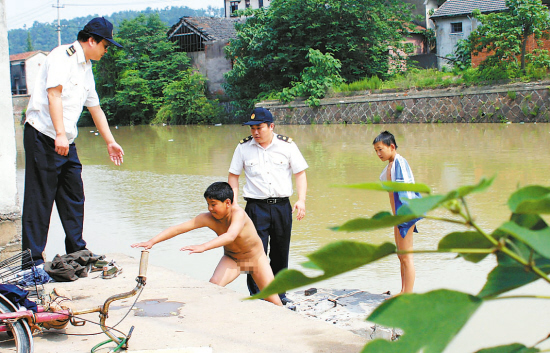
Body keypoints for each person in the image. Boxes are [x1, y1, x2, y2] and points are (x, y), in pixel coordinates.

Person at [22, 17, 124, 265]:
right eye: (105, 45)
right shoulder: (61, 56)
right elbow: (53, 94)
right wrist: (59, 133)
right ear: (91, 40)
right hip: (43, 135)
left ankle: (77, 250)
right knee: (40, 198)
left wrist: (110, 141)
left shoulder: (86, 66)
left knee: (73, 194)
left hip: (65, 139)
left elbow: (95, 108)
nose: (106, 50)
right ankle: (32, 262)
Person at [131, 182, 283, 306]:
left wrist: (203, 246)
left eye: (214, 204)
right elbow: (178, 229)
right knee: (213, 286)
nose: (210, 208)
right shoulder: (208, 218)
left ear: (228, 203)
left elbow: (230, 236)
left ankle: (287, 326)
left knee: (272, 298)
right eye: (208, 204)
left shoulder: (239, 214)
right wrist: (152, 241)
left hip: (255, 260)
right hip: (233, 259)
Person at [228, 107, 308, 305]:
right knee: (253, 252)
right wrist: (234, 205)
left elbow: (300, 173)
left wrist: (301, 200)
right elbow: (233, 176)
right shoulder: (243, 148)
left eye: (259, 128)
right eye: (252, 128)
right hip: (255, 208)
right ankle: (257, 294)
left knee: (280, 252)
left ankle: (279, 294)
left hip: (282, 206)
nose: (255, 132)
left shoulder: (287, 146)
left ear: (271, 126)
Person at [373, 131, 421, 295]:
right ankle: (403, 291)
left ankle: (407, 295)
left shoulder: (400, 163)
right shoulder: (391, 165)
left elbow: (407, 191)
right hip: (396, 217)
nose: (378, 154)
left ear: (391, 146)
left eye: (380, 149)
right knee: (401, 256)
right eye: (376, 151)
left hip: (404, 216)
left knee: (407, 257)